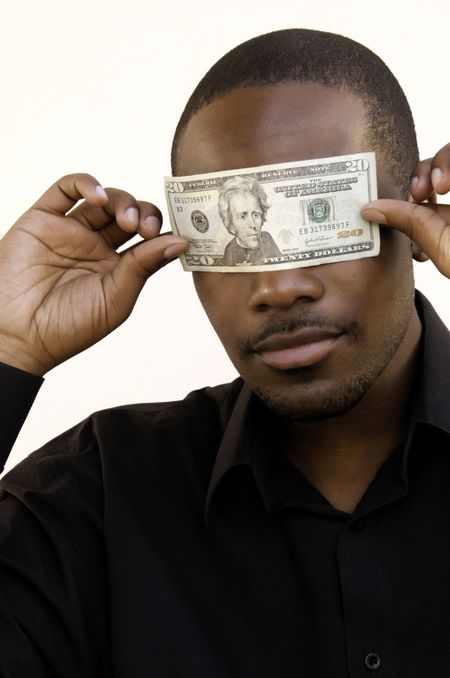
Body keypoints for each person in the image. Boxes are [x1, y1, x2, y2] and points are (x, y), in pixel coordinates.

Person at [0, 28, 449, 678]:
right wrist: (9, 347)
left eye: (322, 223)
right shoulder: (91, 502)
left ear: (417, 220)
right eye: (237, 239)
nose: (275, 286)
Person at [218, 175, 281, 265]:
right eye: (243, 216)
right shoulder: (231, 250)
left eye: (256, 214)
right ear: (231, 225)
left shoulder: (267, 239)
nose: (252, 224)